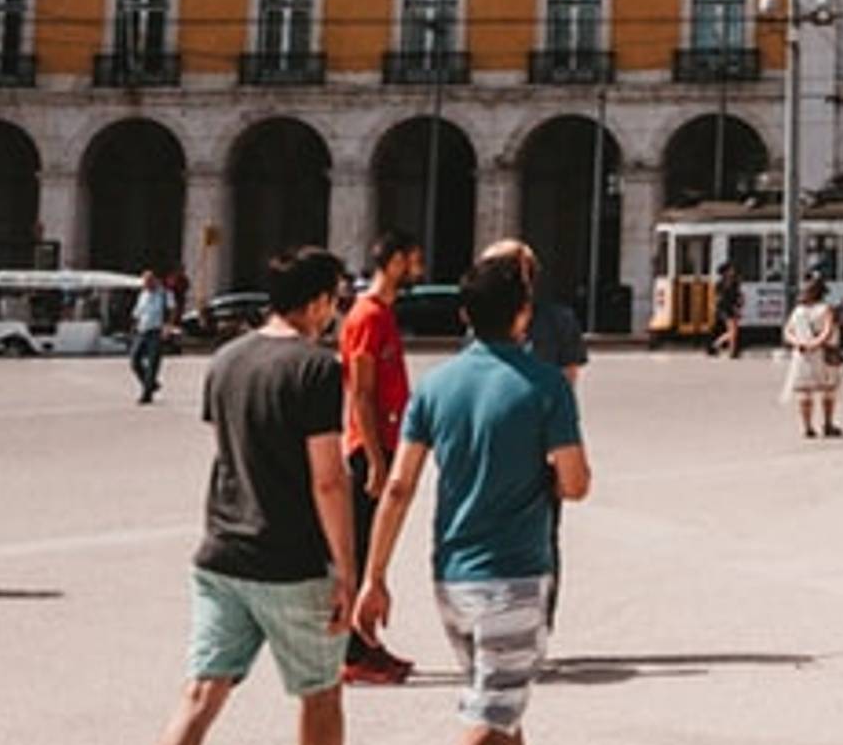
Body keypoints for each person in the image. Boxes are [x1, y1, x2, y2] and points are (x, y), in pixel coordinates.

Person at [356, 247, 589, 745]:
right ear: (524, 312)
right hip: (515, 578)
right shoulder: (548, 386)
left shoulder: (435, 387)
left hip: (451, 578)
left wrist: (373, 577)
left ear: (464, 314)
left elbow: (398, 487)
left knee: (501, 708)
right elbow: (575, 483)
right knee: (488, 722)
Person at [160, 247, 358, 745]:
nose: (335, 313)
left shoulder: (226, 359)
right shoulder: (316, 368)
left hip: (221, 555)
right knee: (321, 693)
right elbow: (329, 479)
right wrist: (347, 570)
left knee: (202, 691)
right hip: (292, 562)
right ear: (316, 302)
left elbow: (229, 452)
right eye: (335, 301)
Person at [335, 234, 422, 684]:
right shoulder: (367, 316)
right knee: (361, 553)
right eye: (412, 260)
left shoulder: (382, 314)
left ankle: (363, 644)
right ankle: (352, 652)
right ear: (392, 262)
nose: (418, 267)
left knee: (370, 552)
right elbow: (362, 394)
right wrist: (374, 460)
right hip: (371, 448)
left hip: (384, 444)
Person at [783, 279, 843, 438]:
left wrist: (800, 344)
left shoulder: (798, 311)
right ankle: (828, 424)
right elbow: (828, 331)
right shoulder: (826, 309)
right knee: (828, 391)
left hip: (803, 355)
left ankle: (808, 427)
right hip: (823, 354)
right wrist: (815, 344)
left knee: (805, 392)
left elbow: (787, 332)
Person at [133, 269, 177, 406]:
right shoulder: (143, 294)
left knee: (153, 363)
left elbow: (172, 310)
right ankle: (151, 384)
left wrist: (168, 327)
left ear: (154, 281)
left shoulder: (164, 294)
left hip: (157, 331)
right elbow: (137, 312)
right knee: (134, 361)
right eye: (144, 282)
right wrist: (135, 324)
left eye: (148, 282)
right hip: (143, 330)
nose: (146, 285)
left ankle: (146, 394)